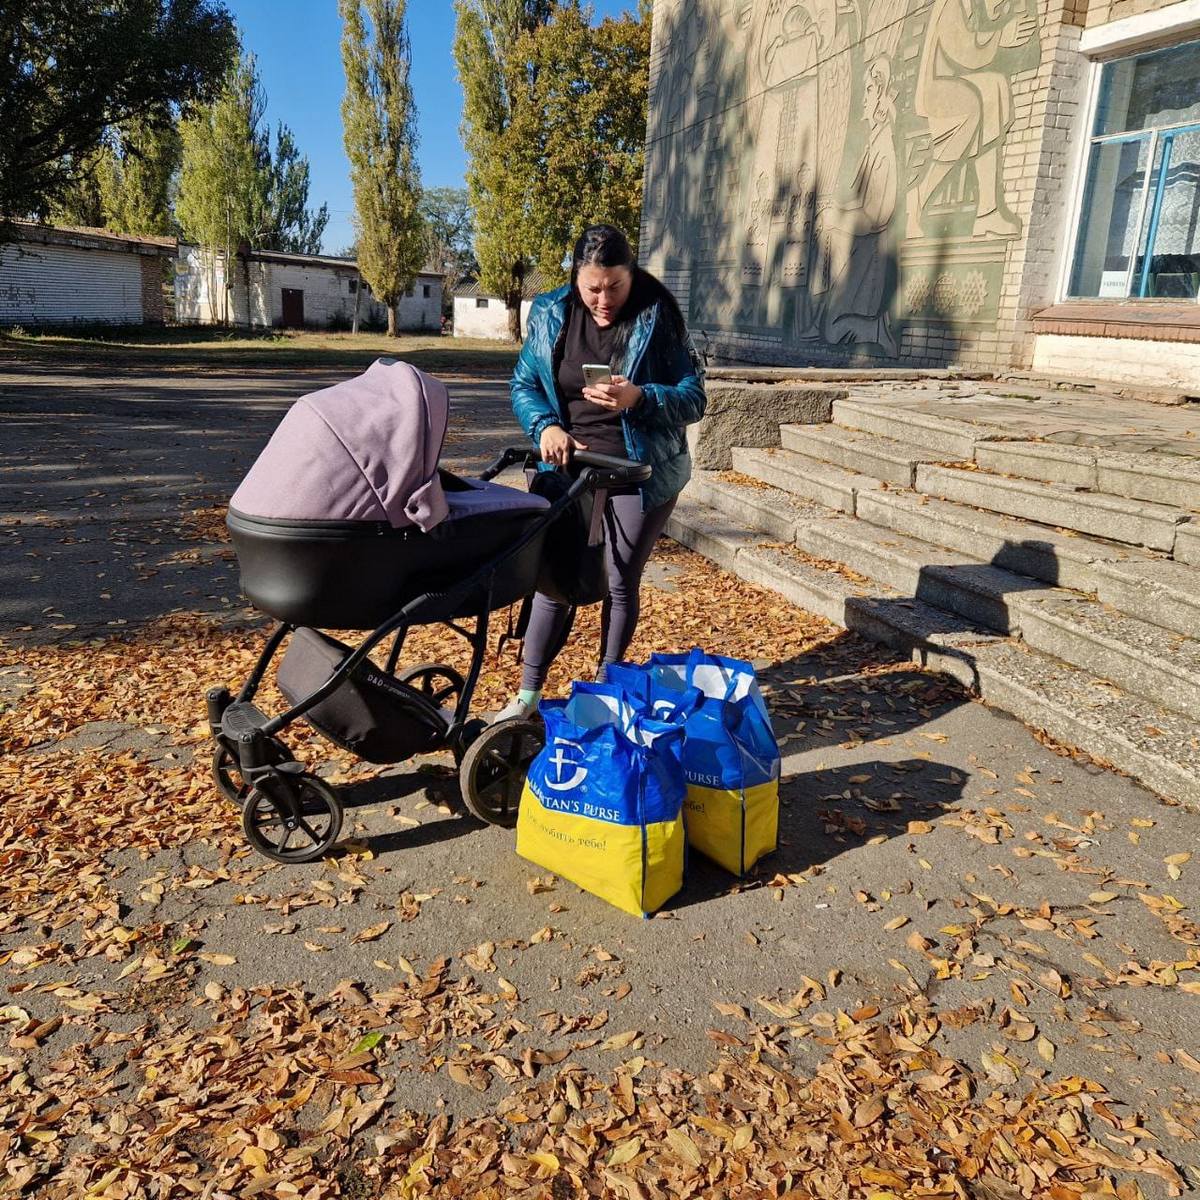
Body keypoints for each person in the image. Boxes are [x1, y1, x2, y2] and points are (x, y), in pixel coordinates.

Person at [495, 223, 707, 722]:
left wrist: (641, 396)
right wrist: (544, 425)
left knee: (618, 579)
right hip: (568, 466)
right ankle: (528, 695)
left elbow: (694, 397)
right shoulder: (551, 312)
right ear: (576, 278)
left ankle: (608, 690)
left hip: (639, 471)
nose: (603, 299)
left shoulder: (658, 316)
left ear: (631, 276)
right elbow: (525, 383)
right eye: (592, 287)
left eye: (615, 286)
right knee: (552, 578)